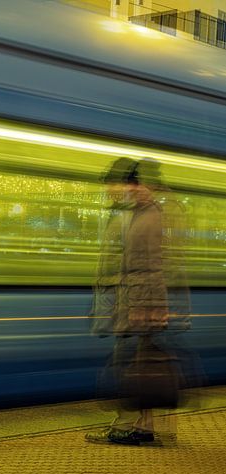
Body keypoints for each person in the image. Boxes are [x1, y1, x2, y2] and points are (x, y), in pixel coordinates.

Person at [87, 157, 172, 445]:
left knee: (131, 365)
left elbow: (150, 267)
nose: (110, 190)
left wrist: (144, 307)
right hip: (134, 302)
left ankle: (133, 426)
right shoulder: (135, 213)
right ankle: (141, 424)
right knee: (137, 364)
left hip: (138, 305)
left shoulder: (148, 216)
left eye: (115, 184)